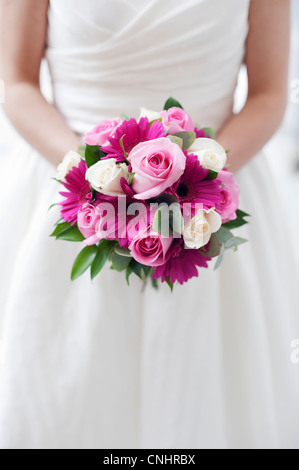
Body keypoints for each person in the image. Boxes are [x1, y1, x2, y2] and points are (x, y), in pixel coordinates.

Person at [0, 0, 298, 449]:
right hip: (72, 185)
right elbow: (16, 83)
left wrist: (196, 183)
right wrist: (95, 181)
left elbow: (269, 95)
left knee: (207, 384)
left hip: (210, 197)